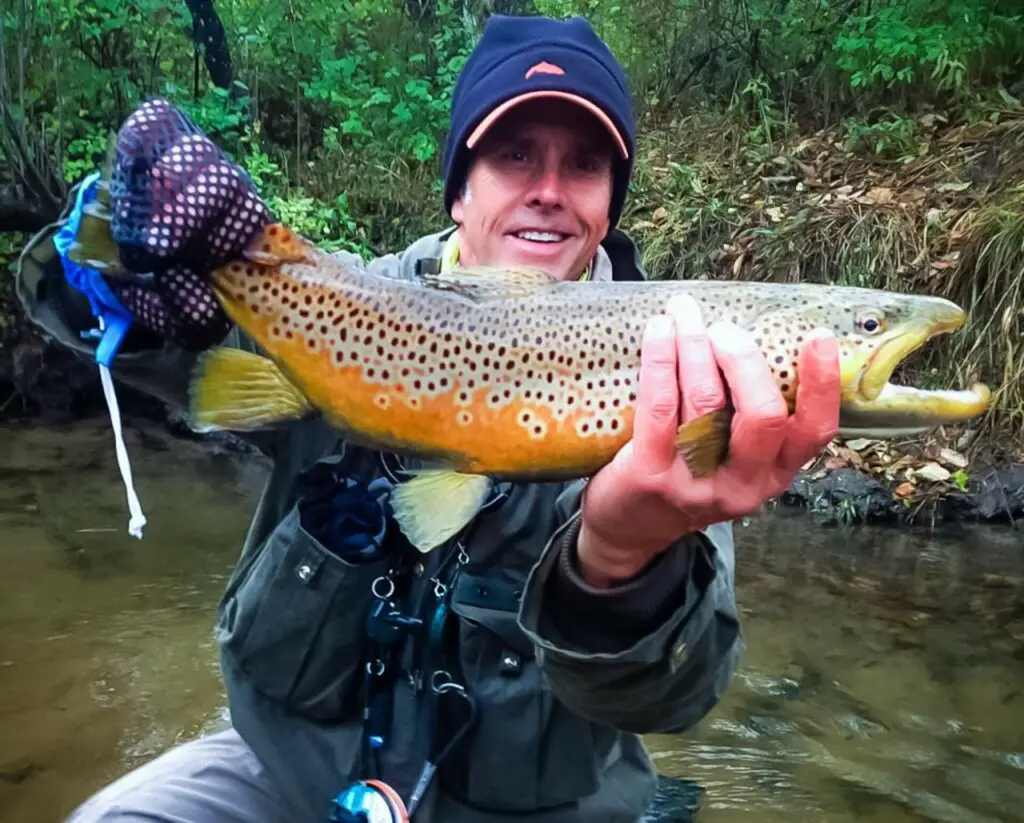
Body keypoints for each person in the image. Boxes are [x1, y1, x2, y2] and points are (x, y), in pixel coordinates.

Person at [15, 14, 840, 823]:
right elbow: (147, 344)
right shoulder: (338, 298)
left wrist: (622, 558)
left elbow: (678, 693)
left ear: (610, 206)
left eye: (585, 164)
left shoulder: (682, 369)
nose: (549, 191)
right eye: (515, 155)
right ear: (458, 187)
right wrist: (118, 260)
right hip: (292, 765)